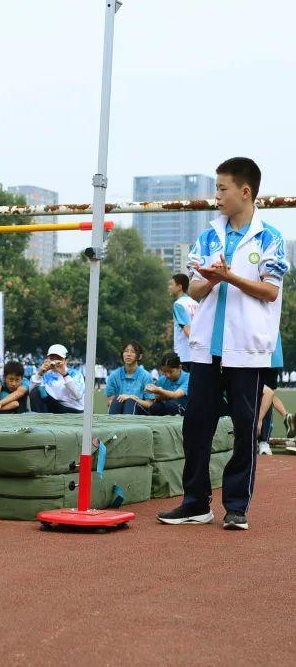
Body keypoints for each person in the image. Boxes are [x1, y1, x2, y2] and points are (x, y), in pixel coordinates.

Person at [158, 157, 289, 531]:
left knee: (245, 428)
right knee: (196, 424)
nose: (216, 195)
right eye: (216, 188)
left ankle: (236, 505)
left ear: (244, 192)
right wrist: (214, 279)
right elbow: (196, 288)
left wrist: (232, 276)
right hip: (204, 350)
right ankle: (196, 502)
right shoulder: (208, 236)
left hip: (246, 350)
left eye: (222, 188)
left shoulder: (270, 238)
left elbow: (269, 290)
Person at [29, 344, 85, 414]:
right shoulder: (46, 374)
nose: (55, 361)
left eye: (59, 358)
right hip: (55, 406)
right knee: (35, 391)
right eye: (52, 358)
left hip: (73, 409)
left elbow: (78, 395)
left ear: (65, 360)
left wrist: (64, 374)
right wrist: (40, 373)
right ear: (47, 359)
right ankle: (40, 421)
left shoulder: (75, 374)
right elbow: (31, 392)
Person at [106, 342, 153, 415]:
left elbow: (149, 404)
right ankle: (113, 425)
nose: (128, 354)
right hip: (120, 408)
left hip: (140, 413)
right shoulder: (114, 375)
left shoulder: (146, 376)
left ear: (140, 356)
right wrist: (121, 400)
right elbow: (109, 402)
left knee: (130, 402)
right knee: (116, 400)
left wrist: (132, 398)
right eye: (126, 351)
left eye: (133, 352)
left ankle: (128, 426)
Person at [168, 273, 198, 372]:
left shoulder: (178, 304)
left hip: (184, 355)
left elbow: (187, 328)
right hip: (197, 354)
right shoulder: (195, 303)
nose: (169, 287)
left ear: (179, 287)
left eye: (171, 284)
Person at [145, 352, 190, 416]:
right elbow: (157, 399)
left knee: (171, 404)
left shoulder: (188, 378)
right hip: (167, 409)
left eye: (170, 372)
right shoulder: (162, 380)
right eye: (164, 372)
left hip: (183, 410)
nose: (167, 375)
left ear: (179, 368)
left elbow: (176, 395)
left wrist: (158, 390)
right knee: (155, 407)